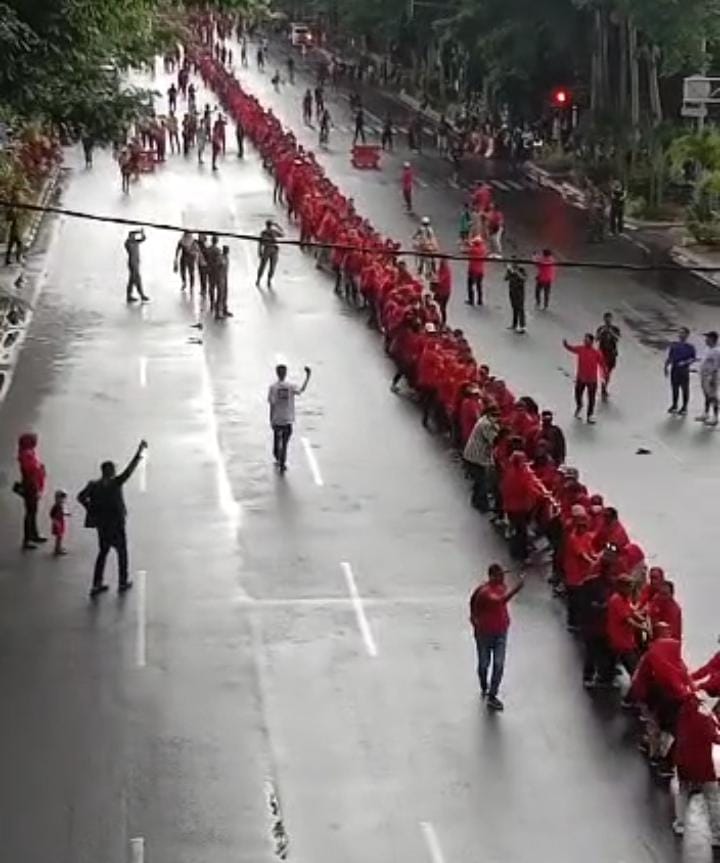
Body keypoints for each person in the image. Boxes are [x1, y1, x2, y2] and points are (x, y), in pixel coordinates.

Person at [77, 440, 147, 597]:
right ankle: (122, 581)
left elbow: (80, 497)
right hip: (116, 524)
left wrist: (90, 509)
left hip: (102, 525)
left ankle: (97, 583)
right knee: (122, 553)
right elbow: (129, 470)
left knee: (103, 553)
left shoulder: (93, 485)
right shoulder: (116, 483)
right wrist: (139, 453)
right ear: (111, 472)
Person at [469, 563, 525, 711]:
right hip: (484, 633)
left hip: (500, 631)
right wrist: (517, 588)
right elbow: (499, 600)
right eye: (499, 575)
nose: (503, 578)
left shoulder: (500, 587)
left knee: (498, 664)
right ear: (492, 576)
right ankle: (484, 684)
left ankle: (492, 695)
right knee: (484, 664)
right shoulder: (485, 592)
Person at [672, 694, 720, 845]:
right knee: (713, 798)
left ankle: (681, 824)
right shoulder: (706, 717)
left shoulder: (684, 712)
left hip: (684, 762)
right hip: (704, 766)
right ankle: (716, 833)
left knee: (682, 792)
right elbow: (715, 737)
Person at [268, 364, 312, 472]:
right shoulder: (290, 386)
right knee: (285, 442)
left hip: (277, 419)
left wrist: (271, 419)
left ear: (277, 373)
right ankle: (282, 461)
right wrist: (308, 377)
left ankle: (278, 457)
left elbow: (272, 404)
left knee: (276, 440)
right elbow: (301, 390)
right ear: (285, 373)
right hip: (287, 419)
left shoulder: (273, 387)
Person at [463, 406, 500, 511]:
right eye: (495, 415)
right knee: (482, 481)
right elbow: (493, 440)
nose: (497, 418)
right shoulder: (486, 425)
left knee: (479, 481)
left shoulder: (483, 420)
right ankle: (481, 504)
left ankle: (476, 500)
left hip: (471, 455)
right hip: (476, 457)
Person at [563, 334, 607, 423]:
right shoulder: (580, 349)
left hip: (592, 380)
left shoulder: (596, 353)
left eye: (587, 340)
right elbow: (572, 348)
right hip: (581, 378)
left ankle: (590, 415)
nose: (585, 341)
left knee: (591, 398)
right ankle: (579, 406)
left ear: (591, 342)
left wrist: (604, 375)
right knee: (578, 394)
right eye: (584, 340)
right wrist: (566, 345)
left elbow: (602, 364)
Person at [16, 432, 47, 549]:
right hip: (30, 487)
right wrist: (39, 469)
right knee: (30, 513)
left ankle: (33, 534)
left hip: (32, 486)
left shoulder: (29, 453)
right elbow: (31, 471)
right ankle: (27, 539)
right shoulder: (26, 455)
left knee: (33, 512)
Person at [665, 326, 696, 415]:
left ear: (687, 335)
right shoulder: (674, 345)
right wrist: (666, 366)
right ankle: (674, 405)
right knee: (674, 388)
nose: (680, 334)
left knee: (685, 388)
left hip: (684, 370)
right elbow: (670, 357)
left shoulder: (690, 347)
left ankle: (684, 407)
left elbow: (693, 358)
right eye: (679, 333)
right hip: (674, 369)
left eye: (682, 333)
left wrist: (685, 362)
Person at [697, 330, 720, 426]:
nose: (705, 340)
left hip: (711, 377)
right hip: (704, 376)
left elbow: (716, 365)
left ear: (712, 339)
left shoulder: (717, 351)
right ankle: (706, 414)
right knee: (706, 395)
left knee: (713, 396)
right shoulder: (707, 349)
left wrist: (711, 376)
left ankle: (715, 417)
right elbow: (704, 361)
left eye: (707, 338)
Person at [596, 311, 621, 400]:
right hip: (602, 353)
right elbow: (596, 338)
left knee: (609, 372)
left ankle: (605, 385)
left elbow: (618, 338)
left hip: (611, 353)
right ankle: (603, 387)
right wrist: (602, 332)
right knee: (604, 370)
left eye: (609, 319)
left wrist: (611, 332)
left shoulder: (615, 329)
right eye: (606, 319)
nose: (608, 320)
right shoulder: (600, 328)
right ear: (604, 319)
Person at [257, 219, 284, 288]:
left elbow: (260, 242)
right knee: (270, 266)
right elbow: (283, 234)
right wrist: (278, 226)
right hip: (271, 249)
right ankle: (266, 279)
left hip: (269, 249)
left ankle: (260, 279)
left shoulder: (264, 232)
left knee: (265, 265)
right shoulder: (270, 232)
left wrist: (259, 251)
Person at [125, 229, 149, 303]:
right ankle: (141, 295)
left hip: (136, 262)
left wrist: (141, 232)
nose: (134, 237)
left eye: (134, 236)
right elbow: (129, 241)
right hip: (132, 263)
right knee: (137, 279)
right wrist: (136, 232)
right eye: (132, 236)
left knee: (132, 280)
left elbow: (144, 238)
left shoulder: (135, 242)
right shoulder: (128, 243)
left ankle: (129, 296)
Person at [505, 260, 527, 333]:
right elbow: (505, 278)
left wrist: (516, 272)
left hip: (519, 292)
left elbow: (524, 278)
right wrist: (508, 271)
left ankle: (522, 326)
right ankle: (514, 324)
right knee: (514, 308)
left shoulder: (521, 270)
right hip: (512, 291)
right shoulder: (510, 270)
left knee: (520, 308)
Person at [50, 489, 69, 556]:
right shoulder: (57, 506)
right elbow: (52, 514)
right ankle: (57, 549)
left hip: (60, 522)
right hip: (58, 523)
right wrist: (55, 522)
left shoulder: (60, 505)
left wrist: (66, 514)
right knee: (59, 536)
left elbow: (62, 512)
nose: (63, 500)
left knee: (60, 536)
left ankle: (59, 547)